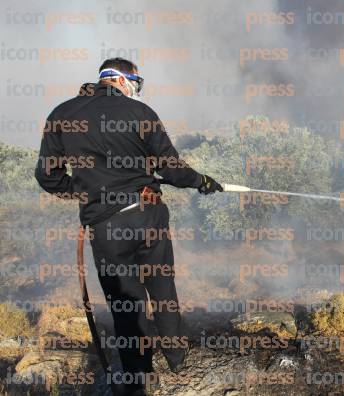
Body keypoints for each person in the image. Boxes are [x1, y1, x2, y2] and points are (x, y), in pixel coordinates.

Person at [35, 57, 223, 395]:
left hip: (106, 226)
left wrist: (81, 191)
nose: (137, 90)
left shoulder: (61, 114)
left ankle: (139, 379)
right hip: (148, 213)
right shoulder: (141, 113)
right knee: (163, 288)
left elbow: (46, 177)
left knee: (126, 303)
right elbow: (172, 168)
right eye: (137, 82)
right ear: (123, 79)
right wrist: (202, 181)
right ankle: (178, 357)